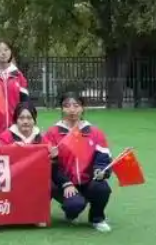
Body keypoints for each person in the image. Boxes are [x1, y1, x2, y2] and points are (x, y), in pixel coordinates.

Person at [45, 92, 113, 233]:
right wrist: (66, 183)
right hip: (63, 184)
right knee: (74, 205)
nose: (72, 110)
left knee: (102, 188)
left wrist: (100, 171)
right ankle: (71, 212)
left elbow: (103, 157)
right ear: (61, 109)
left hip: (88, 182)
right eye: (67, 106)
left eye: (76, 105)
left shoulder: (95, 133)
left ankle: (97, 219)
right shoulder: (52, 133)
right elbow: (50, 166)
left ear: (82, 108)